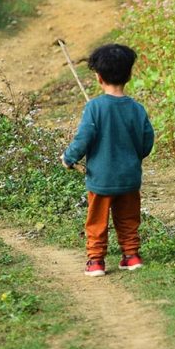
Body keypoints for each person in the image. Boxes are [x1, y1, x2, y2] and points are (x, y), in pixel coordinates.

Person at [62, 43, 155, 276]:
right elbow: (147, 141)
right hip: (129, 178)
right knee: (129, 219)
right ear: (129, 75)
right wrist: (134, 157)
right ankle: (131, 256)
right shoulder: (137, 109)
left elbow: (84, 138)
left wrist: (69, 157)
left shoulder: (94, 107)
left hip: (101, 179)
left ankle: (96, 261)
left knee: (96, 221)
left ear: (99, 77)